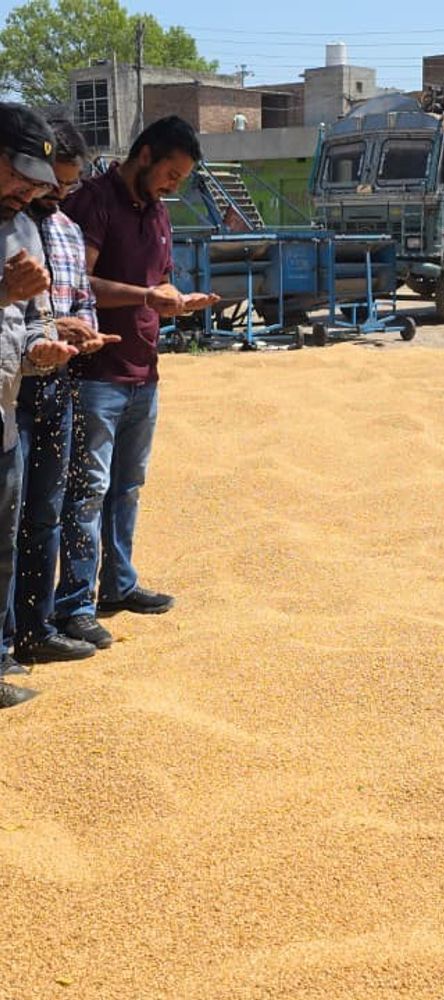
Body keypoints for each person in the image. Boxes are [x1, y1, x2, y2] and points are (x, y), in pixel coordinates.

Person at [55, 115, 216, 651]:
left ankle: (117, 585)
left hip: (144, 372)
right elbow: (80, 285)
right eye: (170, 172)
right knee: (88, 491)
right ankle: (75, 602)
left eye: (181, 178)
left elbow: (158, 281)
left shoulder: (158, 213)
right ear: (144, 154)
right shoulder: (95, 202)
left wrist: (177, 298)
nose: (174, 185)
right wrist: (148, 297)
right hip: (97, 373)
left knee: (127, 487)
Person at [8, 119, 120, 665]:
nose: (53, 195)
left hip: (52, 381)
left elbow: (48, 311)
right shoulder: (13, 225)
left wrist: (72, 332)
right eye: (49, 184)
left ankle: (34, 626)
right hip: (16, 395)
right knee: (11, 519)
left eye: (66, 187)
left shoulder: (57, 231)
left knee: (42, 513)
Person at [0, 103, 79, 707]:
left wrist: (45, 348)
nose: (28, 190)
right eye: (18, 173)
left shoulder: (24, 228)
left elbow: (26, 327)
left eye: (35, 180)